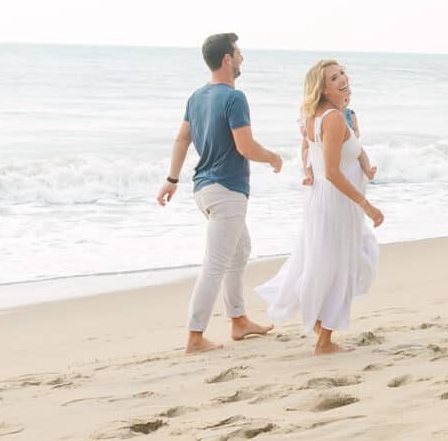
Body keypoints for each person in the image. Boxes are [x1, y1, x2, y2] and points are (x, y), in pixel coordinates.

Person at [156, 33, 283, 354]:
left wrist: (172, 179)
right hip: (227, 190)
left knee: (240, 250)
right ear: (227, 59)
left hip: (204, 189)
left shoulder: (196, 97)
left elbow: (182, 140)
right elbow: (245, 146)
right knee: (215, 264)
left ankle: (239, 320)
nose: (242, 59)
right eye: (238, 54)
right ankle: (195, 337)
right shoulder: (234, 98)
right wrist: (272, 157)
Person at [256, 58, 384, 356]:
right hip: (337, 203)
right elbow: (332, 172)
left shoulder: (318, 116)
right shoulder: (334, 119)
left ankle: (318, 323)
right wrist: (367, 205)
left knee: (328, 259)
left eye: (342, 73)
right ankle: (324, 341)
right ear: (323, 89)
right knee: (340, 264)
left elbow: (315, 158)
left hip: (323, 200)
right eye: (333, 78)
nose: (342, 79)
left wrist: (312, 172)